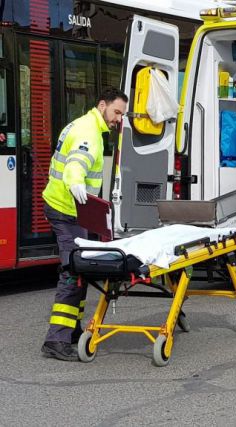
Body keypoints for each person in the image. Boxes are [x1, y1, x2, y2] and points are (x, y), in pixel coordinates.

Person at [41, 88, 128, 361]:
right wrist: (76, 181)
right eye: (116, 112)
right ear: (102, 105)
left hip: (73, 211)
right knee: (72, 270)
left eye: (122, 115)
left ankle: (73, 330)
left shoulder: (86, 124)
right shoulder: (88, 133)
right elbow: (76, 164)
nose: (118, 119)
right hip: (65, 209)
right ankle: (56, 339)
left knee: (80, 271)